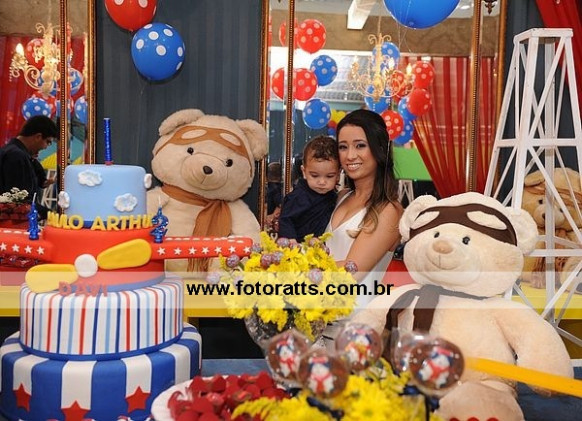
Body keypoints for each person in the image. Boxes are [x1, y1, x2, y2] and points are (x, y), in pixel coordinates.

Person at [324, 109, 403, 329]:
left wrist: (293, 270)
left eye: (360, 145)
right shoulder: (342, 196)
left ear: (379, 149)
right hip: (319, 318)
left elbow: (351, 272)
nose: (350, 156)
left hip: (355, 327)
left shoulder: (388, 210)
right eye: (343, 147)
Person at [278, 136, 339, 242]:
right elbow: (286, 221)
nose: (322, 182)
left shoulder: (335, 197)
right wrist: (291, 241)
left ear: (338, 175)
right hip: (298, 247)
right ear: (304, 172)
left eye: (329, 176)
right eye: (314, 175)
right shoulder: (297, 197)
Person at [0, 116, 58, 220]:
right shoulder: (17, 156)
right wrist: (52, 215)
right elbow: (19, 201)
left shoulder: (13, 152)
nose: (45, 147)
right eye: (47, 142)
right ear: (38, 137)